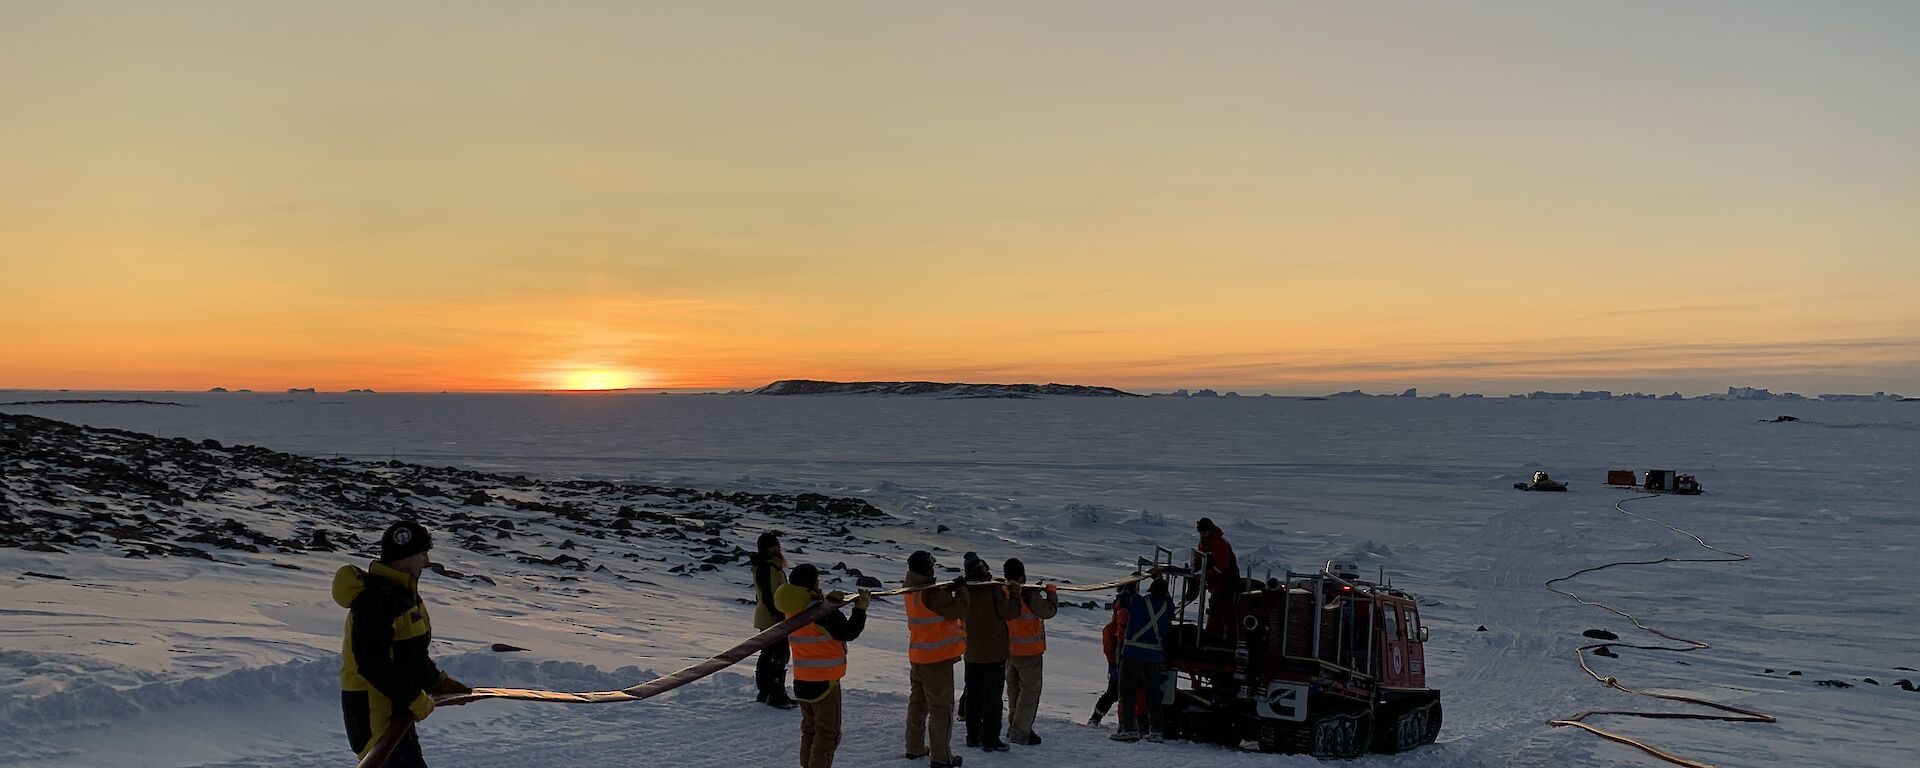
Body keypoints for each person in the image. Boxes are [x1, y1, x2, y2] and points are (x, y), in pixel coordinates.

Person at [333, 520, 471, 767]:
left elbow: (409, 656)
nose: (426, 562)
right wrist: (413, 697)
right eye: (423, 554)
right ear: (405, 556)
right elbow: (372, 662)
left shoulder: (402, 595)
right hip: (373, 712)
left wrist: (439, 684)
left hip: (396, 709)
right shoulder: (376, 601)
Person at [775, 563, 869, 768]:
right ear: (813, 583)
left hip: (802, 679)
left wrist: (828, 602)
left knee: (810, 729)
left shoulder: (794, 607)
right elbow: (847, 632)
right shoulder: (818, 611)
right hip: (825, 682)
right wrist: (860, 610)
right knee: (828, 734)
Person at [902, 551, 969, 767]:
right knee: (941, 709)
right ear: (927, 568)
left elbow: (934, 606)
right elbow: (958, 609)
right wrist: (961, 591)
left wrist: (947, 589)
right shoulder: (931, 593)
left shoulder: (912, 588)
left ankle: (914, 747)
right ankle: (942, 757)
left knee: (918, 704)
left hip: (919, 655)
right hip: (937, 659)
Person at [959, 552, 1022, 752]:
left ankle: (972, 735)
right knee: (993, 698)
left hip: (971, 651)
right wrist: (1015, 594)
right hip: (994, 652)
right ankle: (990, 738)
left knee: (973, 695)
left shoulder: (964, 590)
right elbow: (1010, 612)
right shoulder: (993, 590)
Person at [1001, 558, 1058, 746]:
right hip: (1030, 651)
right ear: (1022, 574)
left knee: (1014, 691)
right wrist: (1051, 593)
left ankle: (1015, 726)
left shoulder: (1003, 592)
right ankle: (1020, 731)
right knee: (1029, 695)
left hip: (1010, 650)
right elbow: (1048, 611)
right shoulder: (1028, 594)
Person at [1112, 577, 1173, 743]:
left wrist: (1129, 585)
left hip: (1133, 653)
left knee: (1127, 690)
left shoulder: (1139, 602)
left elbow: (1122, 600)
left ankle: (1129, 727)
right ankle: (1157, 730)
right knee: (1153, 693)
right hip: (1154, 656)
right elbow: (1170, 604)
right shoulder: (1166, 606)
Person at [751, 531, 797, 708]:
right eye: (775, 546)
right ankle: (775, 694)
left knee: (770, 654)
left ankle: (766, 692)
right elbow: (771, 595)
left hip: (769, 616)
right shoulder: (768, 567)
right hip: (772, 618)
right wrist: (780, 615)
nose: (778, 549)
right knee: (779, 655)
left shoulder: (770, 566)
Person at [1087, 585, 1131, 726]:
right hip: (1120, 659)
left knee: (1114, 691)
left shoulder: (1113, 625)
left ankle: (1097, 717)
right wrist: (1112, 661)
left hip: (1117, 659)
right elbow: (1109, 645)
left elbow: (1108, 646)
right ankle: (1098, 718)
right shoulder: (1116, 625)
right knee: (1116, 691)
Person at [1194, 518, 1239, 638]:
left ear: (1210, 530)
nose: (1202, 535)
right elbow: (1200, 556)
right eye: (1201, 533)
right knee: (1215, 607)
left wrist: (1204, 574)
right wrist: (1195, 567)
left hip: (1227, 580)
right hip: (1216, 582)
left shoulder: (1220, 542)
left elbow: (1221, 567)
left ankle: (1226, 635)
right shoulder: (1205, 541)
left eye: (1204, 532)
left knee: (1225, 609)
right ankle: (1214, 632)